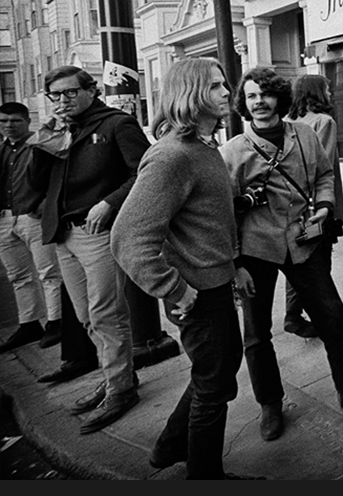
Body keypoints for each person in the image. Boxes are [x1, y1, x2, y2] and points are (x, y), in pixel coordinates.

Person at [111, 58, 258, 480]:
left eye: (224, 83)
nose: (227, 91)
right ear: (191, 95)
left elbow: (210, 219)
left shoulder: (203, 148)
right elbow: (128, 238)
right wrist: (175, 290)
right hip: (196, 294)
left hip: (215, 283)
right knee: (214, 387)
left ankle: (169, 446)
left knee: (221, 368)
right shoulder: (172, 156)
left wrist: (235, 266)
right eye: (215, 86)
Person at [220, 67, 343, 441]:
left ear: (280, 98)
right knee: (256, 335)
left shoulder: (304, 134)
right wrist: (235, 263)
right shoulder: (233, 152)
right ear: (245, 103)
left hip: (304, 243)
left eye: (266, 95)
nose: (259, 102)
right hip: (256, 249)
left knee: (333, 319)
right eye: (252, 96)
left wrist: (324, 205)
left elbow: (325, 174)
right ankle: (270, 404)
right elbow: (222, 212)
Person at [27, 65, 145, 435]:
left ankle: (120, 389)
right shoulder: (60, 131)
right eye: (55, 95)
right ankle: (118, 375)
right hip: (64, 234)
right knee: (86, 317)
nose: (63, 101)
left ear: (90, 90)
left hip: (98, 232)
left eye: (70, 92)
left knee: (106, 313)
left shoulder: (115, 124)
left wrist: (110, 202)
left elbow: (144, 172)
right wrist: (43, 145)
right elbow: (35, 184)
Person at [283, 74, 343, 339]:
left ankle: (301, 311)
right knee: (321, 258)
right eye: (327, 89)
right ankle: (314, 311)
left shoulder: (288, 122)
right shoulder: (324, 122)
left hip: (292, 204)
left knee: (298, 258)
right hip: (318, 204)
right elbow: (320, 165)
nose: (331, 94)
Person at [0, 102, 62, 352]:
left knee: (48, 272)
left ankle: (56, 322)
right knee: (19, 276)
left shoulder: (39, 144)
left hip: (33, 216)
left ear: (27, 121)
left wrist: (47, 203)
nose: (9, 126)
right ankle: (29, 323)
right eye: (3, 121)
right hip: (6, 219)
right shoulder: (2, 150)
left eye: (15, 121)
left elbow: (57, 176)